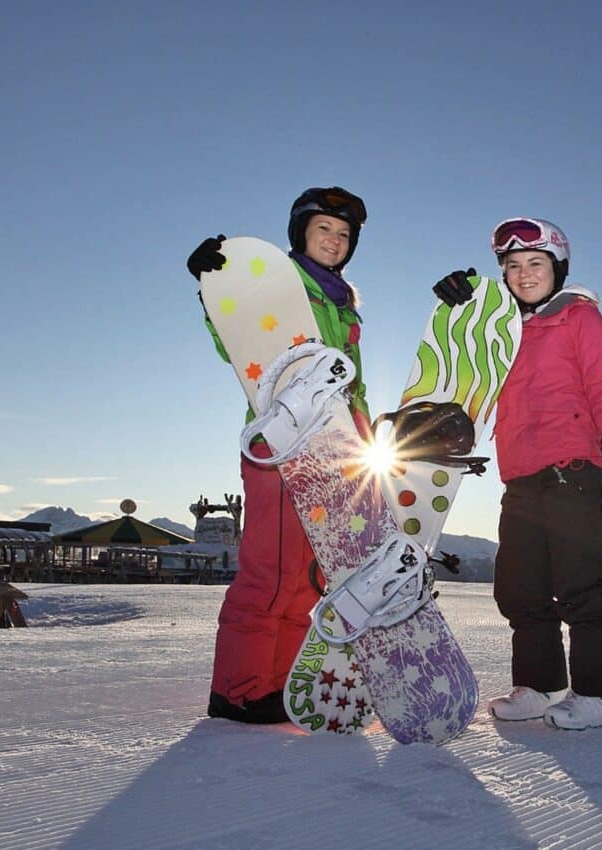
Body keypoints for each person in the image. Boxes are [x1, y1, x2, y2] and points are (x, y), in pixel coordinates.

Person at [434, 217, 602, 730]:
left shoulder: (579, 318)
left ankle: (599, 695)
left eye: (535, 263)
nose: (524, 274)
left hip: (573, 467)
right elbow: (461, 360)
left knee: (578, 585)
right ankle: (541, 685)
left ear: (557, 269)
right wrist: (459, 304)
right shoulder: (501, 331)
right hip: (520, 474)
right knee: (519, 589)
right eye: (512, 266)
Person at [186, 186, 370, 723]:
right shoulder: (279, 287)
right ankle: (240, 690)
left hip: (336, 451)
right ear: (301, 236)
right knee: (271, 571)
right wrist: (213, 288)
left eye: (343, 234)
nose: (334, 240)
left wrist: (364, 442)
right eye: (323, 230)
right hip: (281, 445)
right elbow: (236, 341)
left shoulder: (342, 304)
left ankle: (281, 685)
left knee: (307, 577)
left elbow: (350, 386)